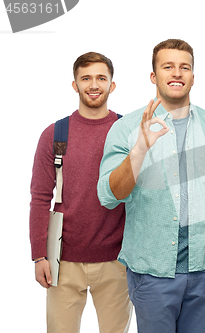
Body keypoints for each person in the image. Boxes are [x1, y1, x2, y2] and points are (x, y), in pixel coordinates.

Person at [97, 39, 205, 333]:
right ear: (154, 76)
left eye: (184, 67)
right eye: (168, 66)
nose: (177, 73)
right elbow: (109, 196)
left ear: (193, 76)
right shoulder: (127, 128)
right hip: (151, 275)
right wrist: (139, 150)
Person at [29, 52, 132, 333]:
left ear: (112, 85)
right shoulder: (55, 134)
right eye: (86, 78)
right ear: (75, 84)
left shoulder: (127, 131)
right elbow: (40, 196)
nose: (94, 84)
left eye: (101, 78)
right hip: (62, 259)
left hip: (117, 260)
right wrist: (39, 254)